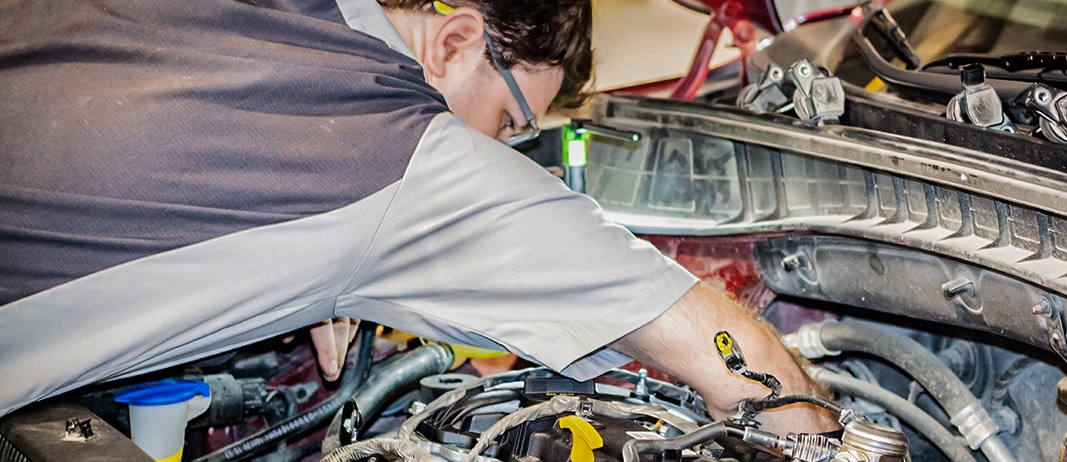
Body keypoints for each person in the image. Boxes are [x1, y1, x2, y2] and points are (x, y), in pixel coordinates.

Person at [0, 0, 838, 435]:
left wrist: (325, 282)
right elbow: (734, 352)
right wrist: (830, 438)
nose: (506, 152)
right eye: (512, 124)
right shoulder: (405, 162)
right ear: (455, 39)